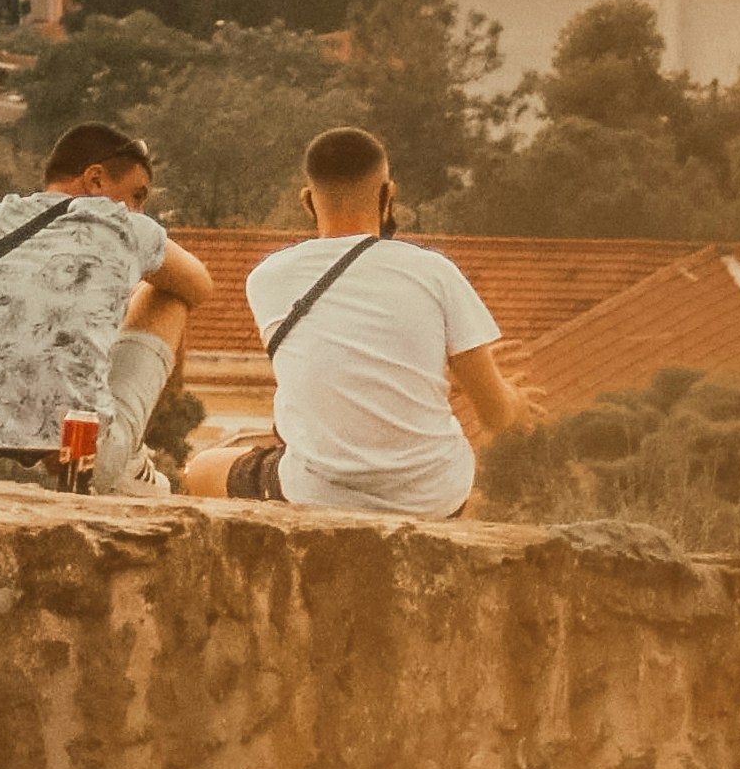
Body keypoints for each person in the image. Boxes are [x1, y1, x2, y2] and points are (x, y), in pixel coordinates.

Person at [190, 128, 517, 523]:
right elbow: (497, 417)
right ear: (388, 194)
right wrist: (515, 399)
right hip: (436, 497)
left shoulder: (267, 279)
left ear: (307, 201)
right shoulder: (436, 272)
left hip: (316, 493)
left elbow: (339, 368)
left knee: (201, 470)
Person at [0, 118, 209, 493]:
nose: (138, 211)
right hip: (74, 460)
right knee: (166, 295)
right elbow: (198, 286)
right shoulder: (124, 224)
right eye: (137, 196)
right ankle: (130, 456)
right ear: (95, 180)